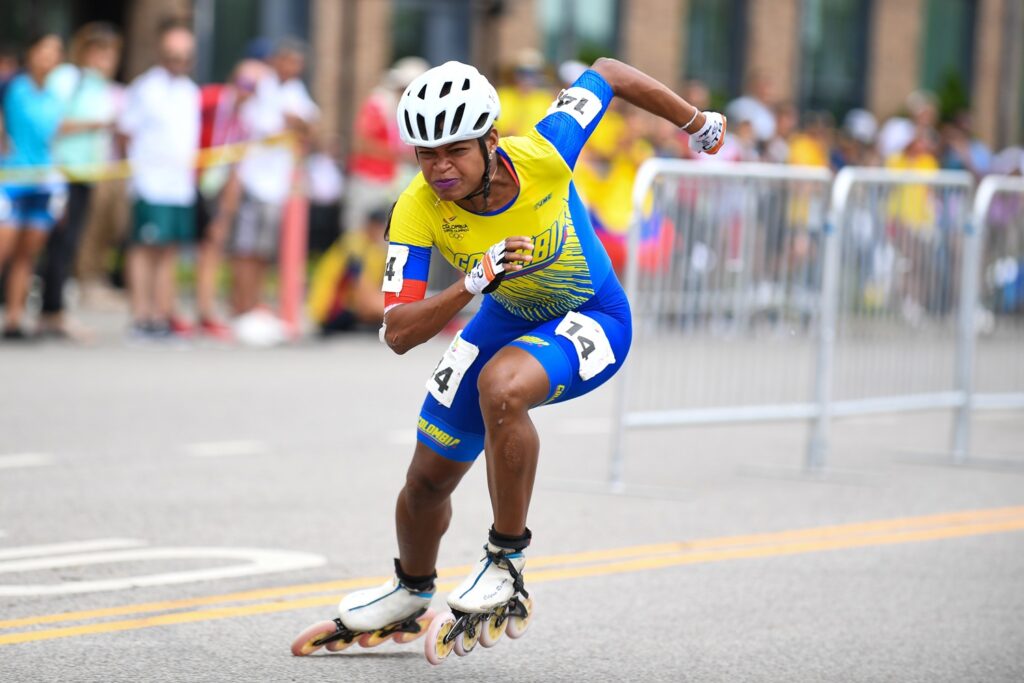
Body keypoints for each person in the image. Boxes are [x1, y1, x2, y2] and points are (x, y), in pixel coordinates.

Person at [291, 58, 726, 661]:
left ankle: (506, 559)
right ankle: (410, 590)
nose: (440, 168)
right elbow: (396, 331)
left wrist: (696, 120)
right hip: (501, 313)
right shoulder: (417, 209)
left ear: (491, 140)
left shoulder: (547, 151)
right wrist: (472, 281)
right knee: (426, 479)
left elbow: (608, 72)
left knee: (502, 386)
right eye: (425, 154)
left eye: (455, 151)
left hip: (593, 313)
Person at [37, 22, 122, 341]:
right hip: (62, 172)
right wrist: (95, 124)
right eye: (99, 51)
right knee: (57, 243)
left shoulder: (100, 86)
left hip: (87, 174)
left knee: (70, 242)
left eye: (110, 52)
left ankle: (54, 309)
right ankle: (51, 311)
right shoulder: (68, 79)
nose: (105, 58)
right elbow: (53, 123)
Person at [117, 20, 199, 339]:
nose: (179, 62)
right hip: (150, 182)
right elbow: (125, 133)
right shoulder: (145, 88)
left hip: (179, 186)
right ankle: (141, 315)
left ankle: (163, 313)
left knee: (169, 250)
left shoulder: (190, 91)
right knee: (144, 248)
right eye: (173, 55)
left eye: (184, 56)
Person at [231, 37, 318, 317]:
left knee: (262, 252)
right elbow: (238, 97)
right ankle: (240, 306)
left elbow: (311, 125)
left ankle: (253, 305)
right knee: (245, 249)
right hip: (251, 177)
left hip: (276, 183)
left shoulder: (295, 90)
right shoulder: (260, 81)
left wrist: (297, 123)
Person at [191, 59, 264, 340]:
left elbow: (236, 170)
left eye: (253, 88)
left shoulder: (245, 121)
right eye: (244, 85)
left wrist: (225, 213)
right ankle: (170, 311)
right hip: (189, 181)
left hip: (214, 187)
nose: (247, 92)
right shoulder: (208, 101)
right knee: (170, 248)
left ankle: (205, 310)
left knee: (212, 248)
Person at [0, 34, 66, 340]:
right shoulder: (13, 86)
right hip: (11, 179)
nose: (49, 57)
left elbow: (51, 140)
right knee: (4, 248)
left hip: (41, 182)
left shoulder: (54, 97)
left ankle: (14, 319)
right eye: (44, 50)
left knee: (27, 255)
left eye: (55, 52)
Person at [344, 56, 428, 236]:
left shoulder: (410, 109)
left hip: (393, 182)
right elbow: (361, 143)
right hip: (369, 179)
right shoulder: (379, 103)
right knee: (358, 236)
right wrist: (403, 156)